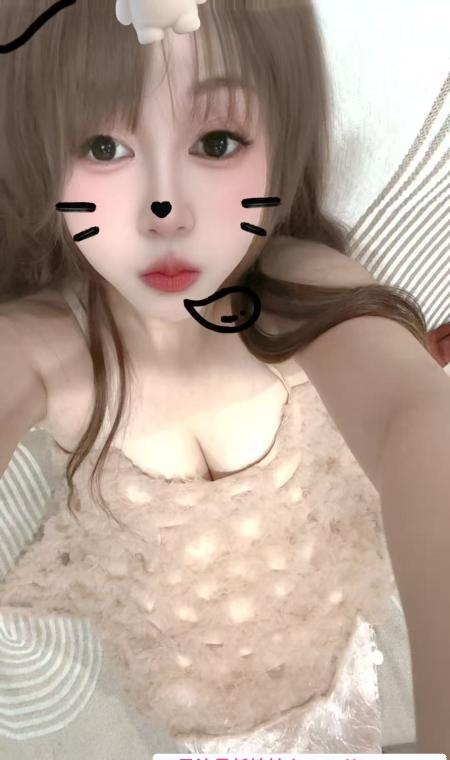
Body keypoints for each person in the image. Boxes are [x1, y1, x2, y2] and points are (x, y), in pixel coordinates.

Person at [0, 0, 448, 753]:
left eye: (216, 141)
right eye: (104, 146)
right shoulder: (42, 345)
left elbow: (416, 418)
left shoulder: (300, 288)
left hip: (349, 691)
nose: (164, 211)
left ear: (282, 132)